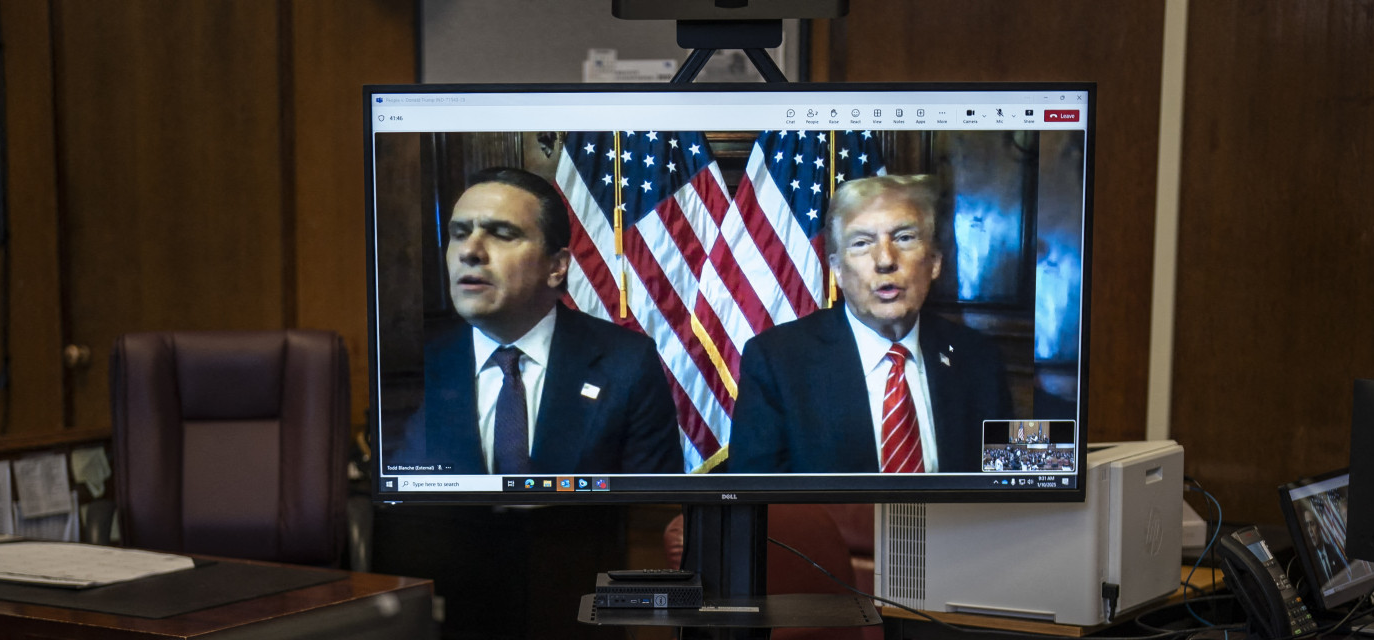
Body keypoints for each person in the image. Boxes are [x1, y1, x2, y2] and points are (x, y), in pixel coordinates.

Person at [386, 167, 682, 475]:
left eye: (502, 235)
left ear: (556, 267)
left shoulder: (628, 364)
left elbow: (653, 510)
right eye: (459, 234)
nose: (470, 251)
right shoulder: (421, 367)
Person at [727, 174, 1014, 474]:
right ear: (837, 269)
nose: (885, 260)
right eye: (862, 243)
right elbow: (756, 500)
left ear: (934, 262)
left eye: (904, 237)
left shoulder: (979, 358)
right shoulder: (778, 361)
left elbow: (1008, 486)